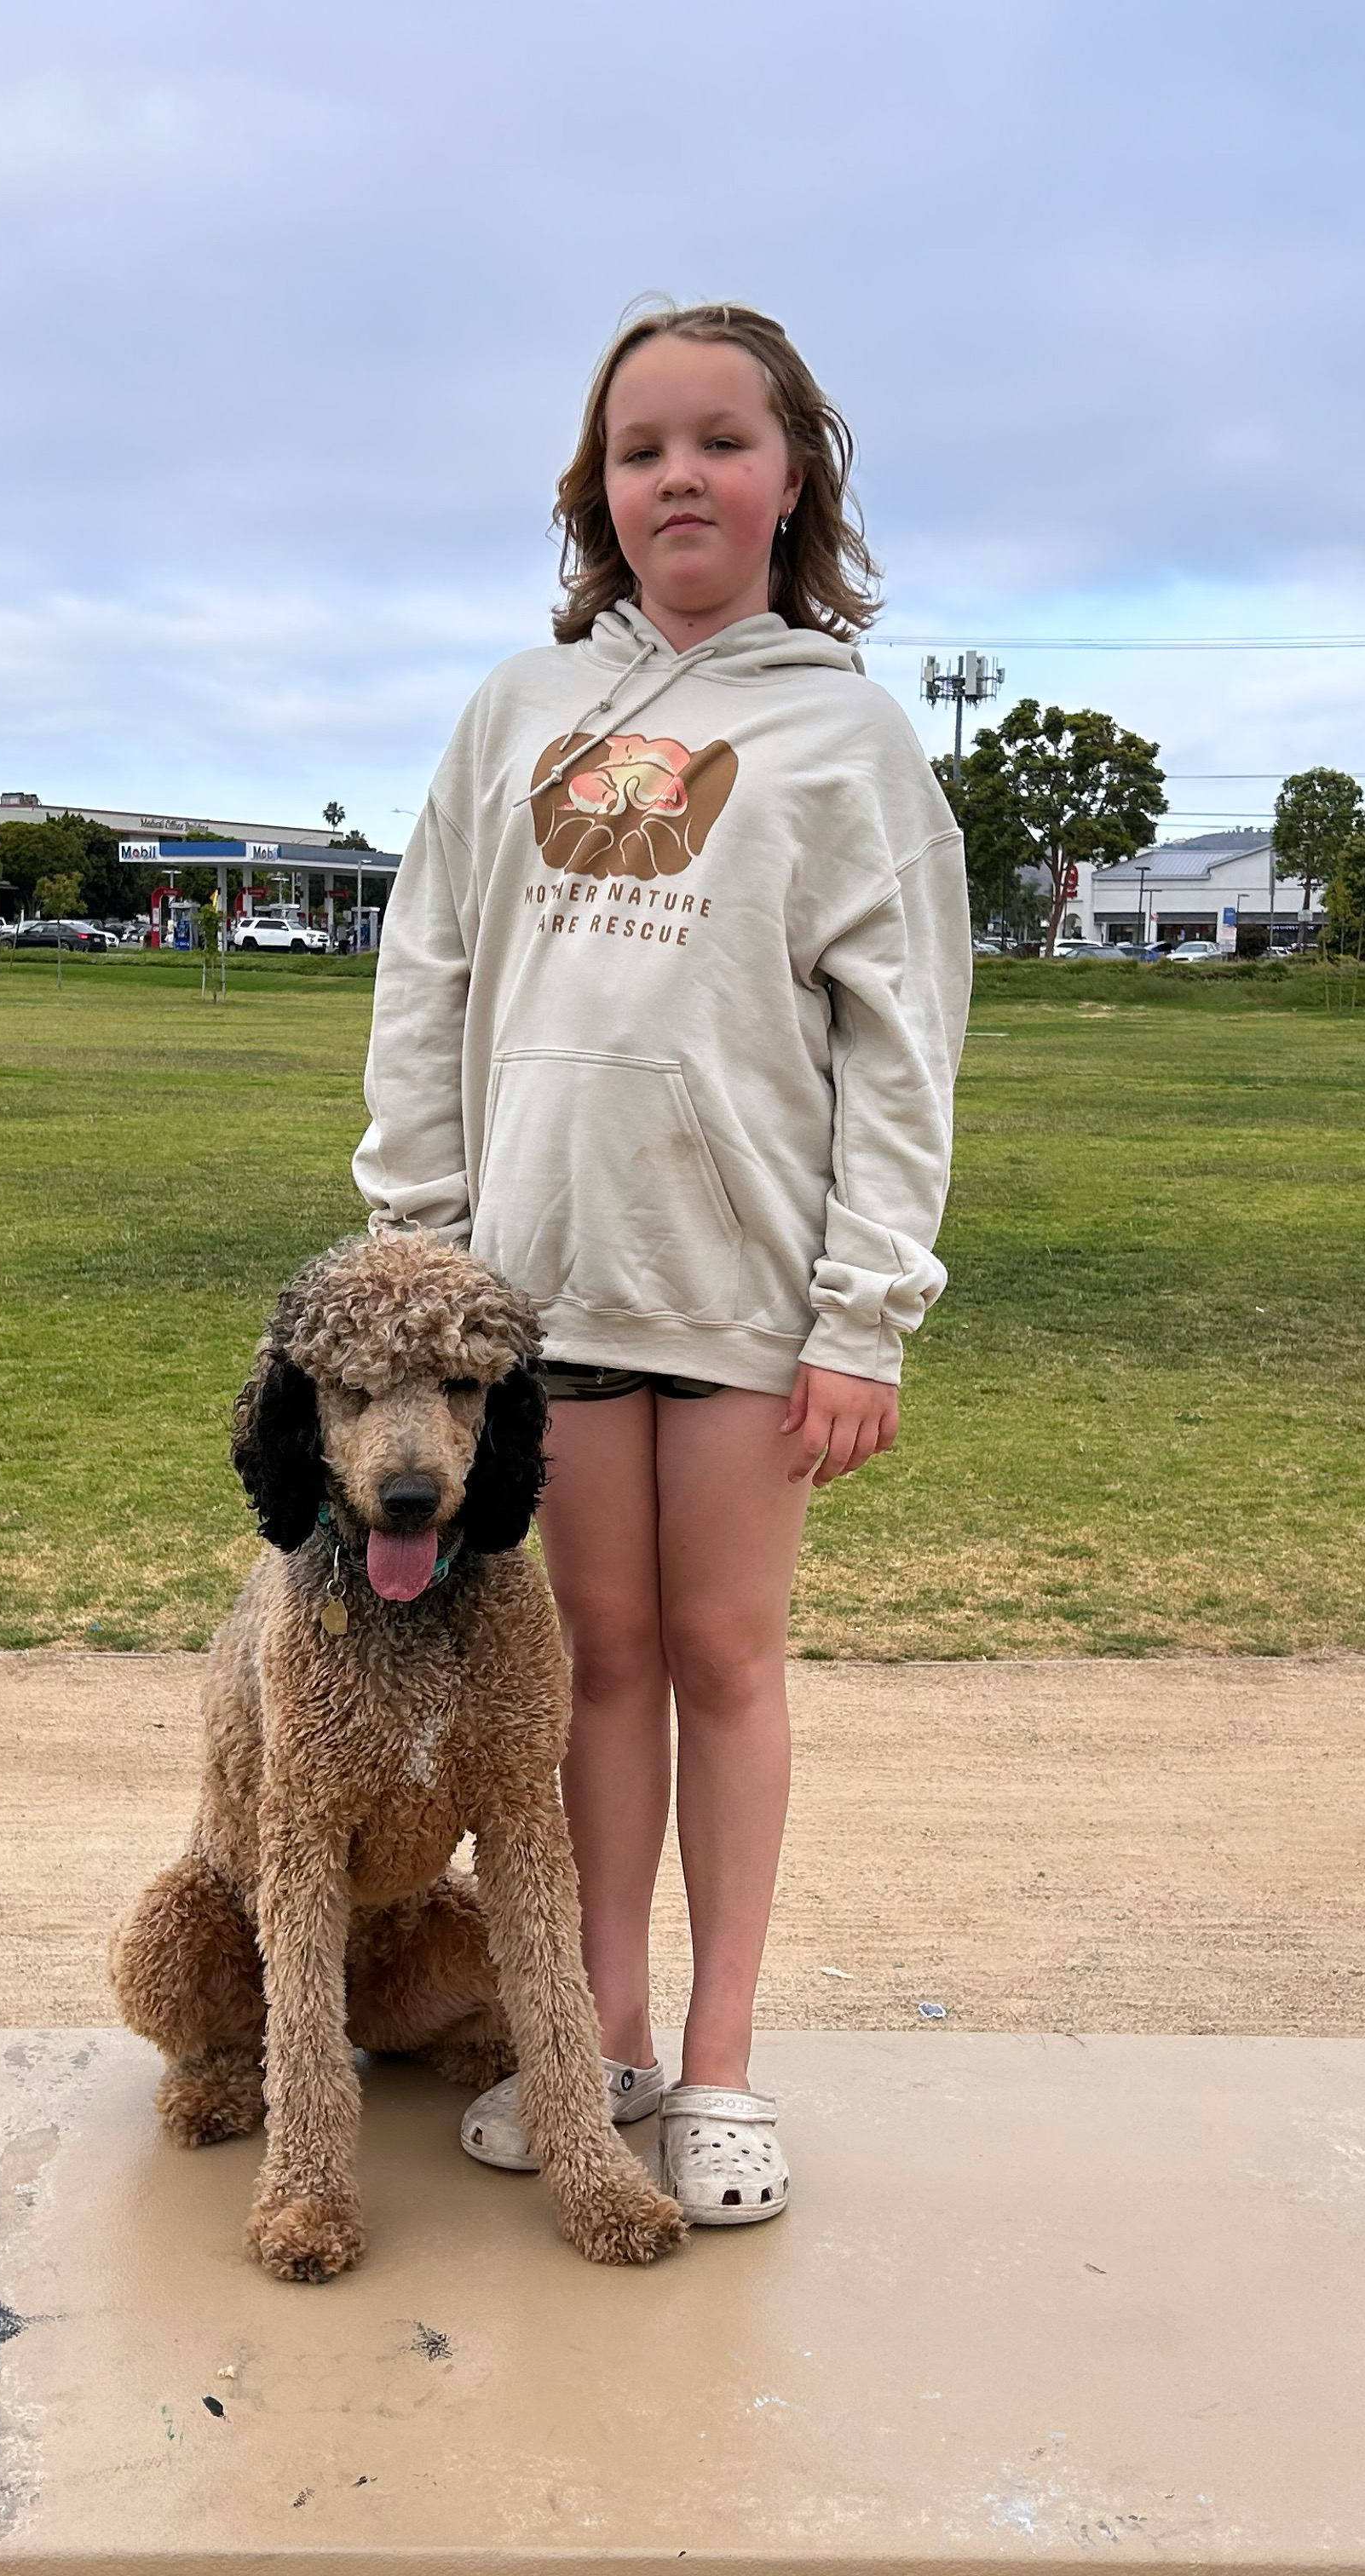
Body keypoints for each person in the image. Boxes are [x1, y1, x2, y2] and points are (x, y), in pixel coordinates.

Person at [353, 302, 970, 2224]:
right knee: (593, 1669)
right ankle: (595, 2040)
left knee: (724, 1657)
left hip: (746, 1300)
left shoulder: (848, 735)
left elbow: (903, 1044)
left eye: (720, 441)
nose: (679, 477)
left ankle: (719, 2069)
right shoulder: (519, 715)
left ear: (795, 477)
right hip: (535, 1304)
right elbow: (429, 976)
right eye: (640, 449)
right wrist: (417, 1249)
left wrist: (865, 1309)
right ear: (595, 490)